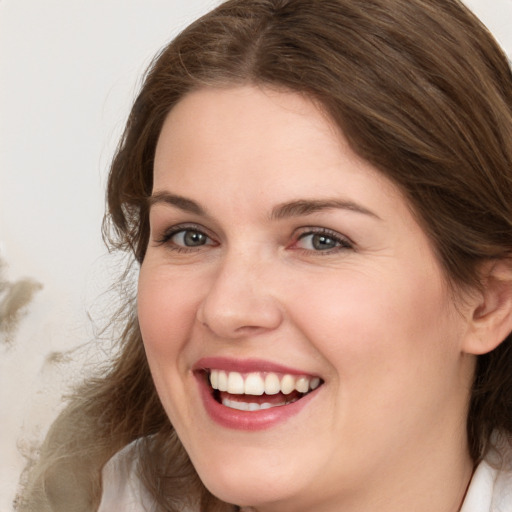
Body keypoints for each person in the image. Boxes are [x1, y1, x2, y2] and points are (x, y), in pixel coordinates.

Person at [18, 0, 512, 511]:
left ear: (488, 302)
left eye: (321, 239)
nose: (226, 309)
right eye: (190, 236)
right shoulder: (84, 489)